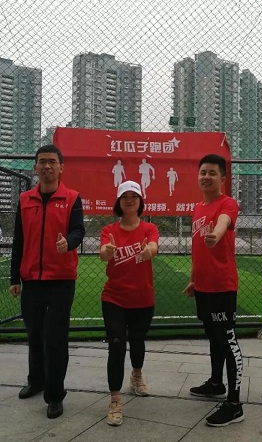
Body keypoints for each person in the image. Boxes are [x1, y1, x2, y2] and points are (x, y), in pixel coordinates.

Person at [9, 144, 85, 420]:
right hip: (32, 280)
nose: (47, 166)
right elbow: (19, 240)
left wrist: (69, 242)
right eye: (42, 161)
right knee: (34, 334)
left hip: (61, 281)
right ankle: (36, 381)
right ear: (35, 167)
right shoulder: (25, 200)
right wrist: (15, 277)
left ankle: (55, 395)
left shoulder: (72, 198)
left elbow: (79, 230)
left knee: (55, 338)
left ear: (61, 167)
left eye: (52, 161)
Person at [182, 154, 244, 427]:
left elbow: (223, 223)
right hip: (204, 286)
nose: (206, 177)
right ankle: (216, 383)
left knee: (228, 341)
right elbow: (198, 250)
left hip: (222, 286)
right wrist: (194, 279)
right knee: (214, 337)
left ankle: (235, 405)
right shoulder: (198, 208)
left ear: (222, 178)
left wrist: (217, 235)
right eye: (203, 172)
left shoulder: (227, 203)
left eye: (212, 173)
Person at [99, 180, 159, 426]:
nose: (130, 200)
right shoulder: (109, 229)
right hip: (114, 297)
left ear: (140, 201)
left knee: (137, 340)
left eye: (134, 196)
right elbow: (103, 251)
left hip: (143, 298)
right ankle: (115, 399)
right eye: (125, 196)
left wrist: (149, 251)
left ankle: (136, 375)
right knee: (116, 344)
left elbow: (154, 245)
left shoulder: (149, 228)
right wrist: (107, 252)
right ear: (119, 202)